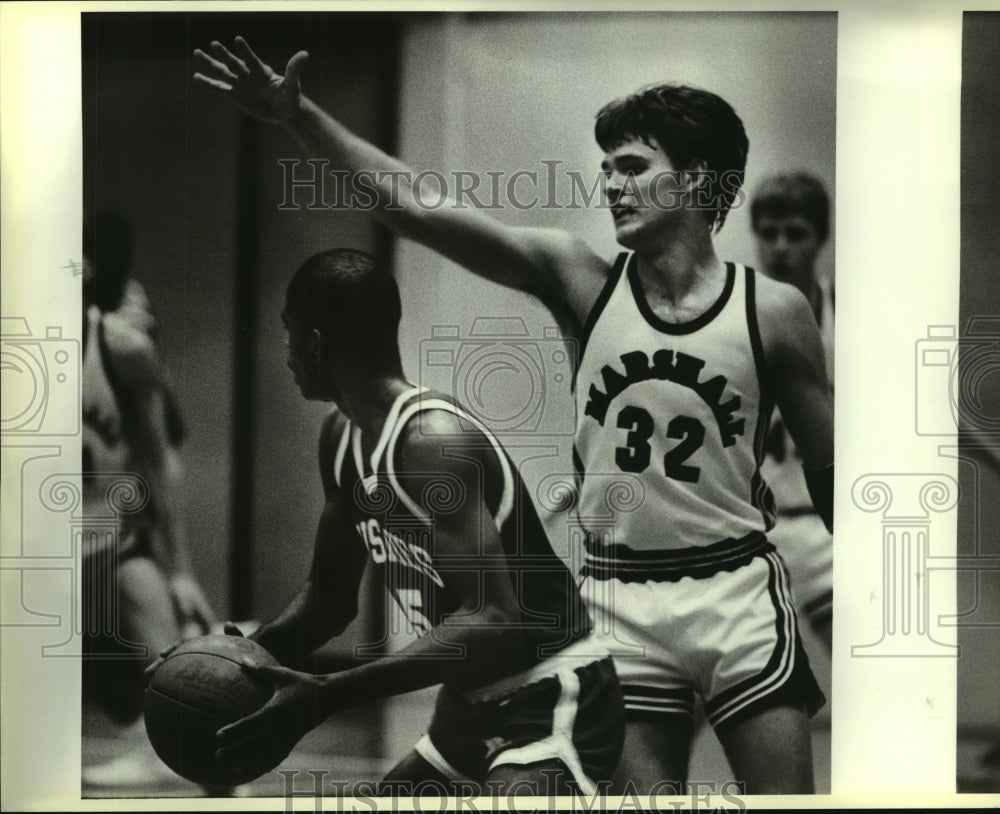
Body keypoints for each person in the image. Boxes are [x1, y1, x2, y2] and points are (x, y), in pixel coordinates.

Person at [192, 38, 833, 794]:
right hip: (620, 597)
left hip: (733, 587)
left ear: (695, 179)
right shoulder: (582, 279)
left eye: (632, 167)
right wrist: (301, 118)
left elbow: (833, 480)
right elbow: (421, 213)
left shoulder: (777, 312)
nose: (611, 185)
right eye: (607, 169)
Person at [151, 248, 624, 794]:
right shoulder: (341, 438)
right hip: (465, 711)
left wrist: (328, 692)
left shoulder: (430, 443)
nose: (286, 349)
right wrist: (223, 654)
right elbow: (330, 600)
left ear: (317, 342)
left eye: (289, 330)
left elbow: (494, 619)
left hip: (553, 693)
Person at [81, 210, 214, 785]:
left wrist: (180, 568)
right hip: (32, 550)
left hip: (109, 538)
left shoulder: (122, 346)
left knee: (159, 665)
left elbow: (164, 459)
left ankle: (191, 739)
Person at [750, 172, 834, 651]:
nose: (780, 247)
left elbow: (927, 406)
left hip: (827, 529)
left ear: (820, 238)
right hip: (752, 534)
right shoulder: (728, 315)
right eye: (768, 233)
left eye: (796, 233)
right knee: (699, 698)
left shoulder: (852, 316)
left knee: (868, 668)